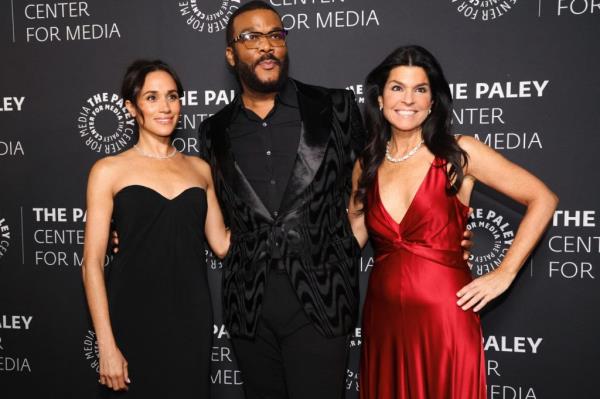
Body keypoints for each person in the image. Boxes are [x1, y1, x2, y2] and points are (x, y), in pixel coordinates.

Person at [199, 3, 473, 399]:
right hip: (248, 306)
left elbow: (381, 177)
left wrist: (447, 225)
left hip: (324, 298)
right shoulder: (213, 130)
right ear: (230, 54)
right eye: (251, 37)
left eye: (276, 35)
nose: (267, 46)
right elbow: (200, 202)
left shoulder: (337, 108)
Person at [348, 45, 558, 399]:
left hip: (444, 317)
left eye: (420, 89)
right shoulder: (366, 164)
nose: (408, 99)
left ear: (433, 101)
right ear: (380, 99)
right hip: (383, 319)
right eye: (397, 88)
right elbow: (352, 234)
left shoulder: (459, 153)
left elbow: (543, 199)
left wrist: (504, 273)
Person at [82, 59, 230, 398]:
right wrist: (106, 344)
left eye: (172, 96)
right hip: (132, 316)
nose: (165, 107)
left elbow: (222, 243)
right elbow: (91, 263)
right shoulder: (108, 170)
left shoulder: (199, 168)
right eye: (151, 97)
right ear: (131, 107)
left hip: (191, 317)